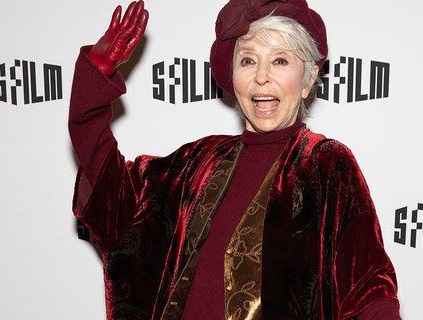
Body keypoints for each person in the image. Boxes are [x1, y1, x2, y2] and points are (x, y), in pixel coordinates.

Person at [68, 0, 401, 319]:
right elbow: (115, 202)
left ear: (309, 79)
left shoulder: (326, 165)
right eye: (248, 60)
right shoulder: (198, 162)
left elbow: (369, 289)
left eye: (280, 60)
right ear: (233, 78)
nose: (261, 77)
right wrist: (93, 86)